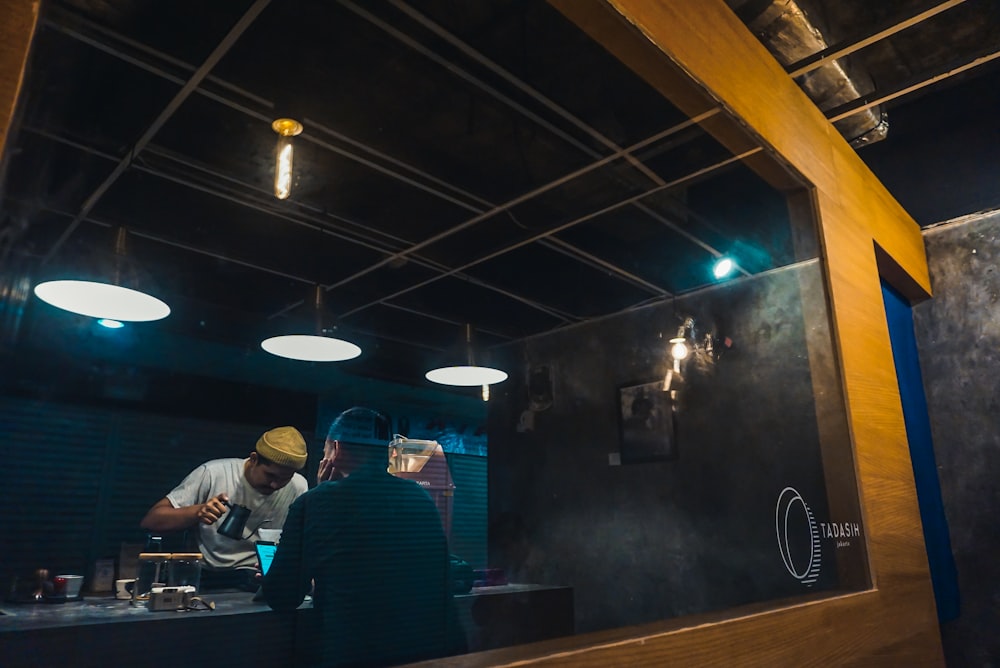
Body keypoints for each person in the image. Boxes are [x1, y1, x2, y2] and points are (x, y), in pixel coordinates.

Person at [263, 407, 462, 667]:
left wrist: (321, 492)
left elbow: (282, 596)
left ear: (336, 448)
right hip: (431, 652)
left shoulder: (315, 502)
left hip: (355, 654)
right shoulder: (421, 498)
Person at [140, 425, 309, 588]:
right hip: (207, 576)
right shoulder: (214, 474)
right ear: (254, 459)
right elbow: (151, 521)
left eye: (284, 478)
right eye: (270, 475)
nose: (275, 484)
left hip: (256, 577)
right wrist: (198, 512)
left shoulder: (298, 486)